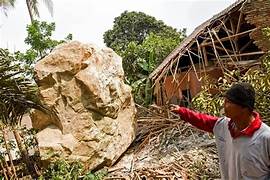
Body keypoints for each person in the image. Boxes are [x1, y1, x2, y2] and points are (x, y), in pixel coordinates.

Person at [170, 82, 270, 180]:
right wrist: (182, 111)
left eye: (229, 102)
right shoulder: (224, 126)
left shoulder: (265, 137)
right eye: (225, 101)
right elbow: (203, 120)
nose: (224, 106)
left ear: (244, 107)